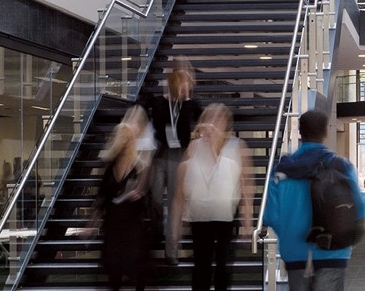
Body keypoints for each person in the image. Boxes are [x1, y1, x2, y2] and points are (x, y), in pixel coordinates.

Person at [263, 110, 365, 291]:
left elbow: (270, 216)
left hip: (295, 253)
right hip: (333, 250)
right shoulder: (341, 166)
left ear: (300, 132)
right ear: (326, 132)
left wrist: (290, 233)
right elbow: (361, 208)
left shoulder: (281, 170)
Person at [171, 103, 252, 291]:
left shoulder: (237, 146)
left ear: (226, 123)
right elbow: (181, 188)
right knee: (201, 266)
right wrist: (176, 224)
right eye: (210, 117)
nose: (214, 122)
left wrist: (247, 220)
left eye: (219, 118)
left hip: (225, 215)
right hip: (199, 216)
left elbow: (246, 185)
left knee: (223, 265)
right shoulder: (194, 146)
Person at [89, 107, 153, 290]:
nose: (125, 141)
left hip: (132, 225)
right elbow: (101, 198)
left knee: (137, 272)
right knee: (114, 273)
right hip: (113, 226)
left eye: (128, 138)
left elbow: (145, 196)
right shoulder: (109, 168)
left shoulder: (140, 166)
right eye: (122, 137)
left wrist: (139, 193)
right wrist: (91, 224)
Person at [148, 67, 202, 264]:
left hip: (178, 156)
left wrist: (196, 136)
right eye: (182, 83)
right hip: (158, 154)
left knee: (174, 203)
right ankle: (157, 229)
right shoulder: (158, 102)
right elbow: (143, 113)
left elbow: (203, 120)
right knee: (155, 198)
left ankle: (172, 251)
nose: (186, 87)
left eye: (188, 84)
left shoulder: (190, 105)